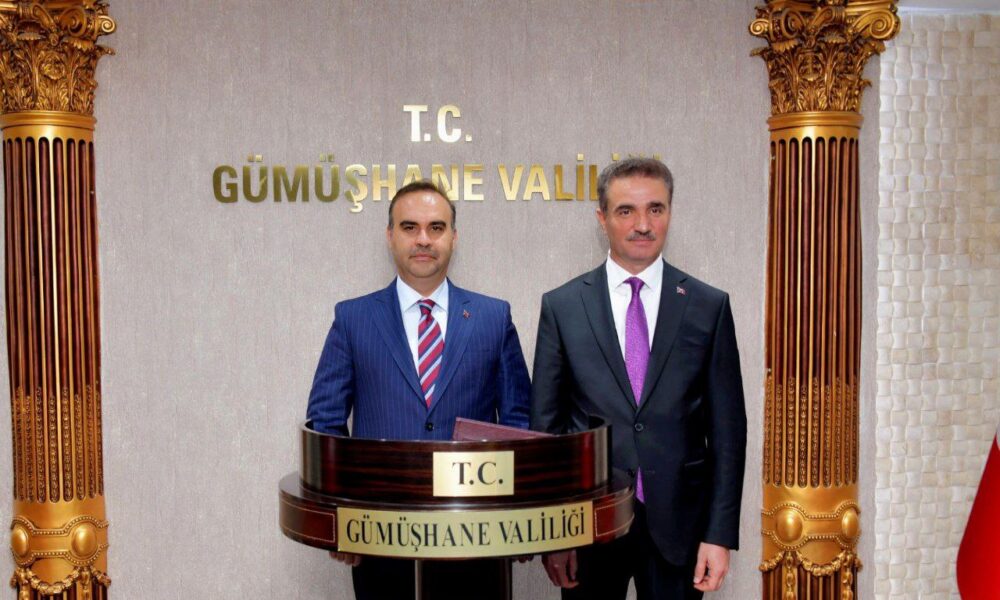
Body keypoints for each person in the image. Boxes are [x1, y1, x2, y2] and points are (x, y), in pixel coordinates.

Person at [530, 158, 747, 600]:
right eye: (626, 211)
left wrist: (719, 534)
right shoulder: (563, 306)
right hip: (588, 528)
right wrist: (554, 535)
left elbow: (728, 431)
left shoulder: (707, 305)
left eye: (655, 209)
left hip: (681, 528)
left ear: (670, 213)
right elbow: (547, 432)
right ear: (602, 218)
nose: (643, 225)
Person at [306, 180, 531, 600]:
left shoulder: (493, 316)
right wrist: (342, 516)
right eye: (410, 227)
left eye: (436, 227)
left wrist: (519, 515)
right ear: (390, 235)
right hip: (379, 536)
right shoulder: (353, 318)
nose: (423, 239)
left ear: (454, 237)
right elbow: (326, 423)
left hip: (477, 536)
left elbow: (518, 422)